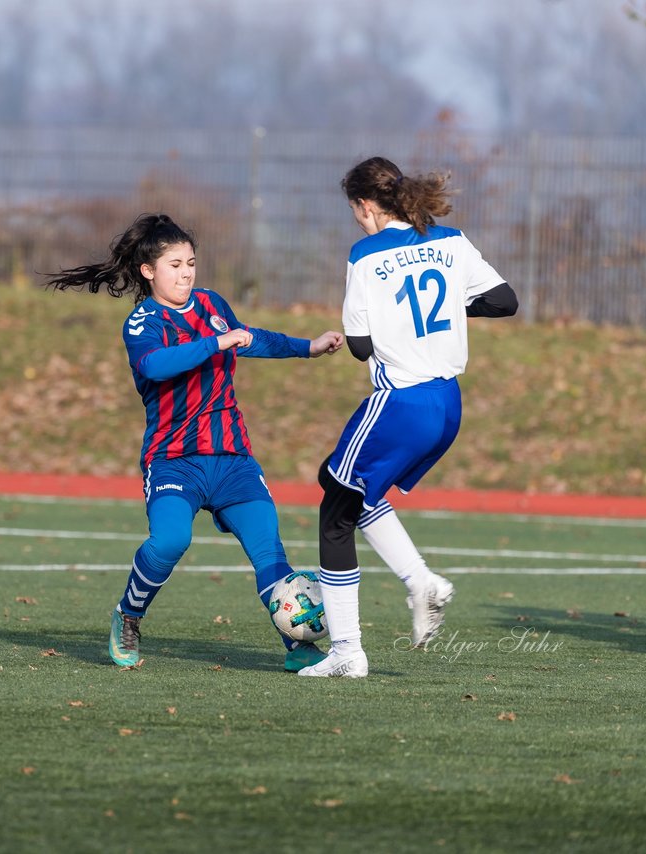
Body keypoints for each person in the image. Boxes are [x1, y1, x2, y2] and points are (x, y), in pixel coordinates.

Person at [44, 213, 345, 671]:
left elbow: (250, 339)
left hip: (232, 460)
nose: (186, 273)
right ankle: (128, 615)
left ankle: (297, 641)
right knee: (169, 541)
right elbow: (156, 366)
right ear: (148, 271)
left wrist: (308, 346)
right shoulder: (142, 321)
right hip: (174, 460)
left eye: (191, 263)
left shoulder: (211, 304)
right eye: (175, 265)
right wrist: (216, 342)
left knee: (270, 553)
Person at [298, 156, 518, 678]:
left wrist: (390, 324)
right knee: (346, 485)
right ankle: (421, 583)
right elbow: (504, 301)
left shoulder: (365, 254)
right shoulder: (451, 240)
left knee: (334, 514)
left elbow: (357, 345)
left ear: (366, 205)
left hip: (401, 400)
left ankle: (349, 652)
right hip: (447, 405)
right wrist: (446, 313)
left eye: (355, 210)